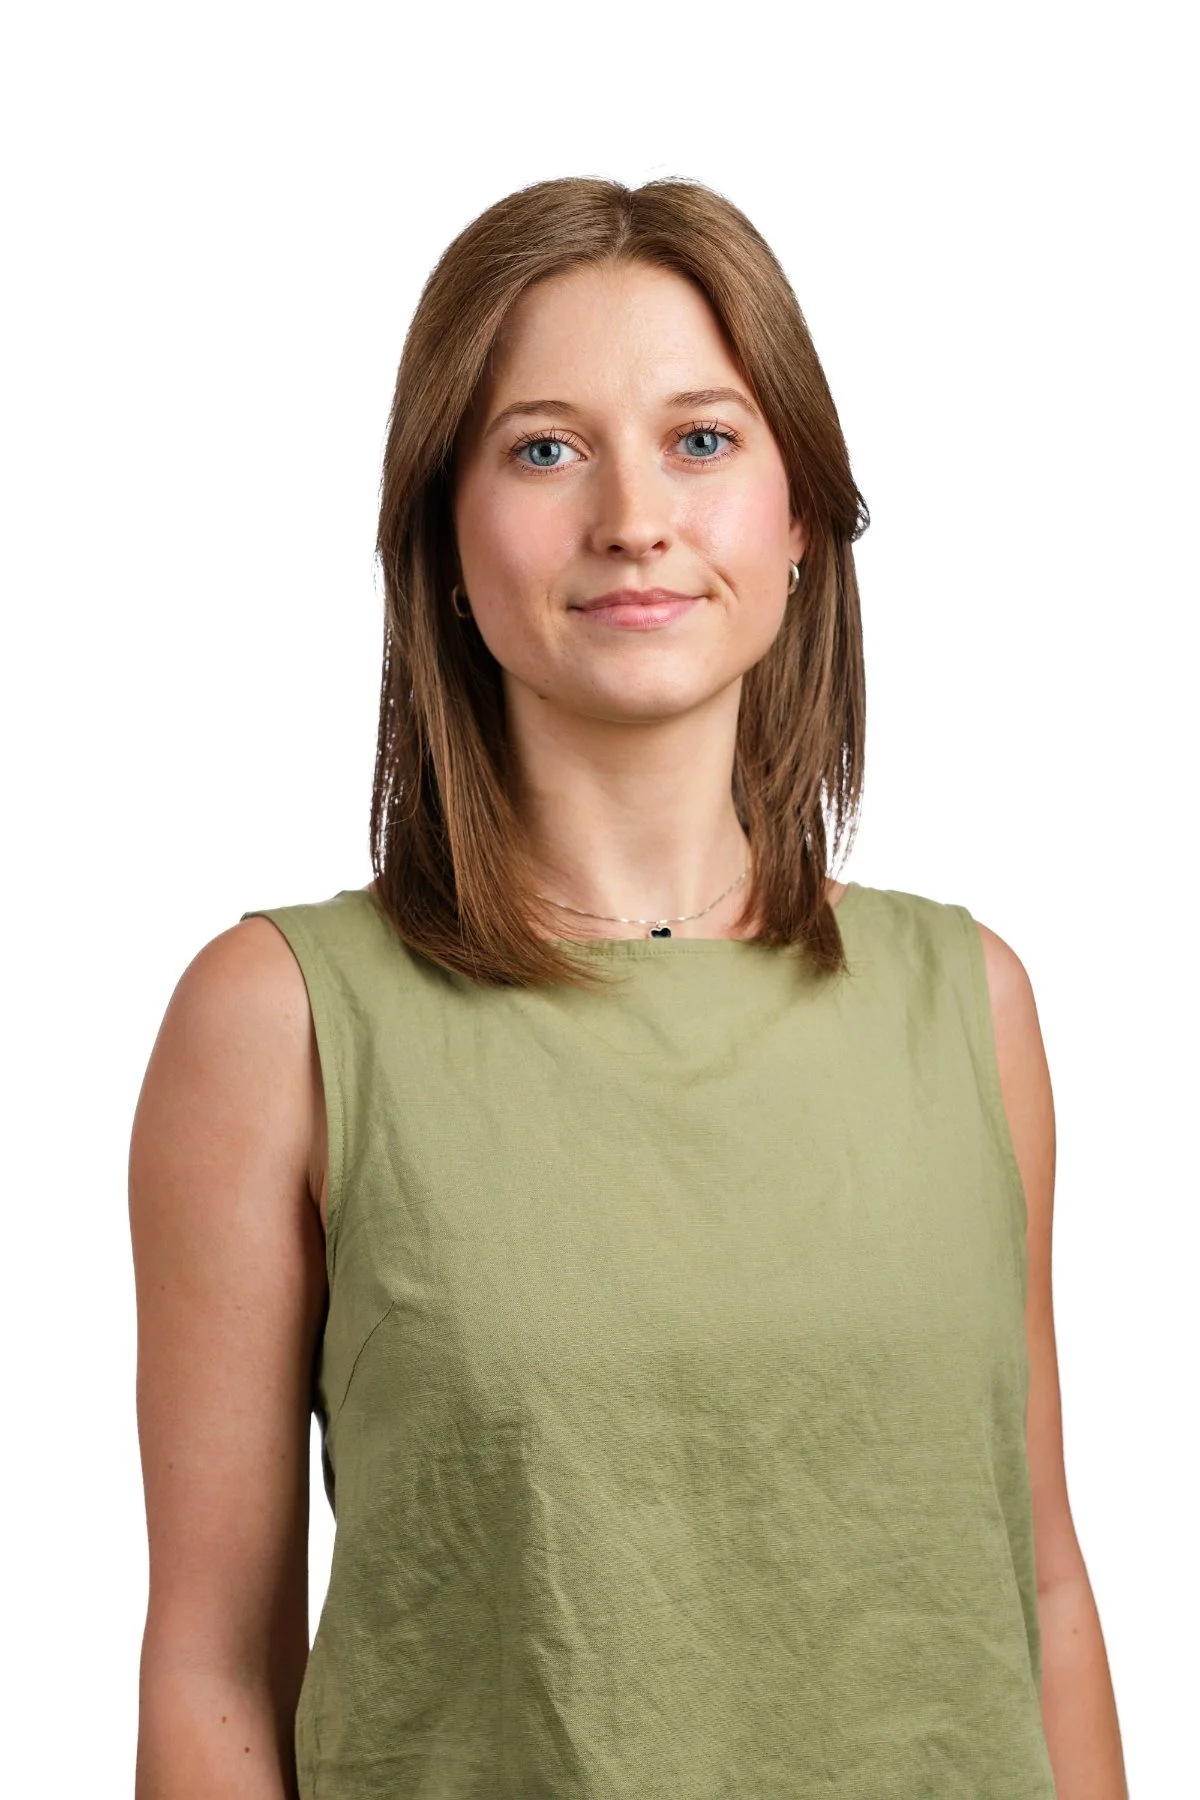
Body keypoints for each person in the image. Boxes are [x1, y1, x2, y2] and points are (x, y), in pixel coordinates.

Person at [128, 176, 1128, 1798]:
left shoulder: (974, 1007)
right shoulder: (283, 1023)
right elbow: (211, 1672)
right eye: (543, 447)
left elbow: (1041, 1594)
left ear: (799, 511)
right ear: (444, 533)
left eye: (703, 438)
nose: (633, 517)